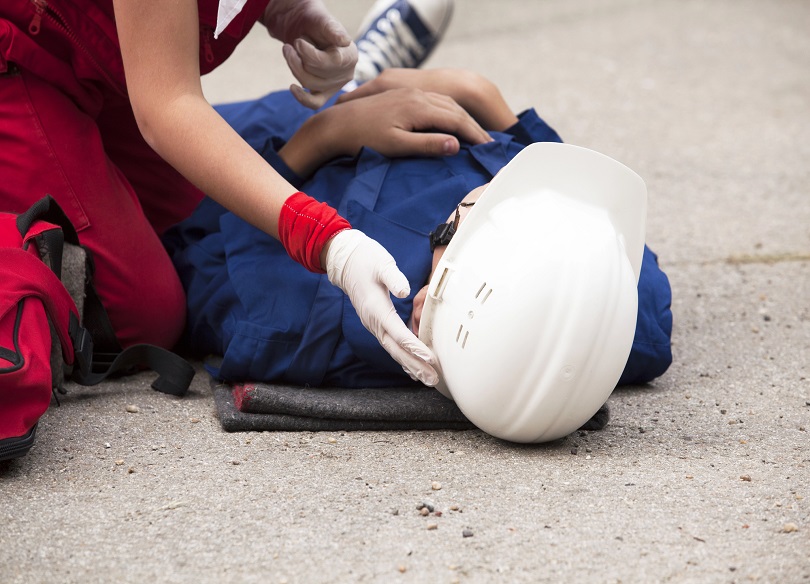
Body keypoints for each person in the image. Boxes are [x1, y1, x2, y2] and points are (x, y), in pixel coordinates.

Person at [0, 0, 448, 387]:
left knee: (202, 223)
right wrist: (329, 242)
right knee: (140, 315)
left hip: (109, 65)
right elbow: (168, 107)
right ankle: (339, 102)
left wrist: (282, 9)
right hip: (24, 61)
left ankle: (340, 101)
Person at [164, 68, 674, 389]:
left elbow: (194, 230)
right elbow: (569, 181)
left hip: (285, 147)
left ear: (425, 305)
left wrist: (321, 136)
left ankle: (362, 71)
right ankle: (374, 68)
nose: (489, 193)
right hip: (429, 107)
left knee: (159, 124)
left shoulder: (288, 322)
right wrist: (483, 98)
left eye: (465, 225)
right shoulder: (628, 313)